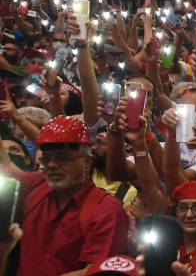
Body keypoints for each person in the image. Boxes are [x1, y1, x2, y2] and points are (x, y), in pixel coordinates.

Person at [0, 115, 129, 275]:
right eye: (46, 159)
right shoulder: (37, 185)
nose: (52, 165)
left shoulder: (106, 210)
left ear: (87, 162)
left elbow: (95, 272)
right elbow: (6, 166)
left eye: (62, 158)